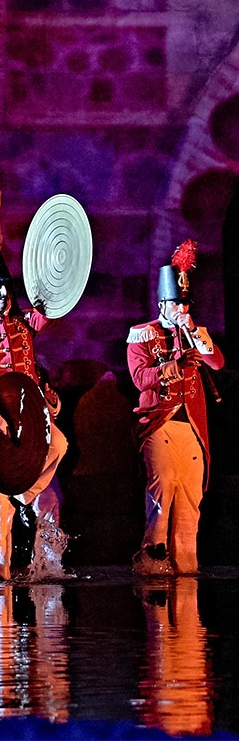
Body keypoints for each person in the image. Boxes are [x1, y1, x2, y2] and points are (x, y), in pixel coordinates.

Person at [0, 217, 68, 579]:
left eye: (4, 286)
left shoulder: (22, 324)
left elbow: (50, 310)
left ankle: (48, 567)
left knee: (53, 474)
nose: (2, 294)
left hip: (31, 414)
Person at [126, 240, 224, 575]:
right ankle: (152, 561)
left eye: (185, 303)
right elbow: (141, 378)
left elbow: (217, 363)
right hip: (159, 423)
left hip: (192, 427)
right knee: (164, 483)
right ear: (161, 304)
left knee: (190, 498)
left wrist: (194, 332)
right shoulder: (142, 335)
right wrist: (175, 364)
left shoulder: (195, 333)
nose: (181, 309)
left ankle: (186, 570)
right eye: (175, 303)